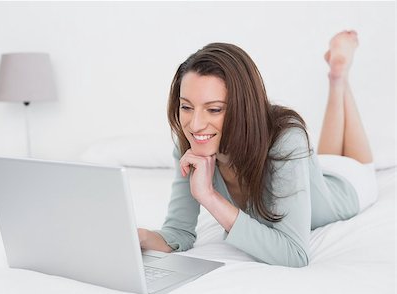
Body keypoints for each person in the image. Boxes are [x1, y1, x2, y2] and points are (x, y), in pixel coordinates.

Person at [137, 30, 378, 267]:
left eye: (214, 109)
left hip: (349, 184)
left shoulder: (287, 139)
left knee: (349, 162)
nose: (195, 124)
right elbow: (179, 232)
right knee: (327, 156)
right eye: (186, 107)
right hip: (314, 175)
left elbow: (294, 254)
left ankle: (339, 79)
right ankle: (337, 79)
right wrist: (141, 237)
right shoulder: (191, 146)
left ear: (242, 107)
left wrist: (209, 197)